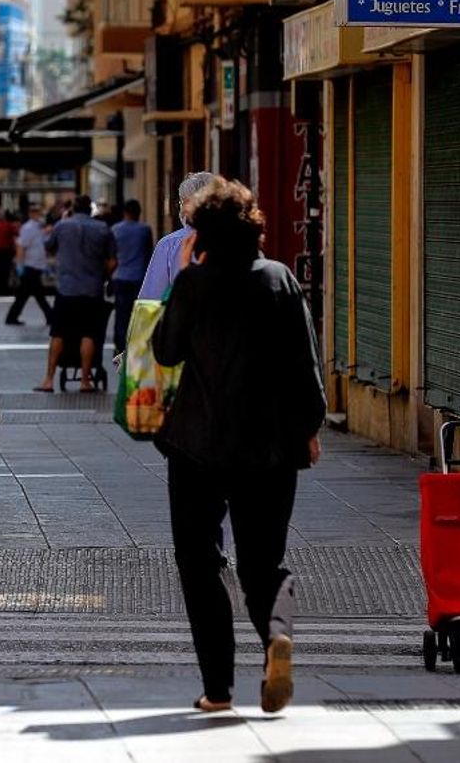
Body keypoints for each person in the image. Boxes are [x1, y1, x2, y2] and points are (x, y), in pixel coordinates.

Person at [151, 177, 325, 715]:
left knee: (199, 563)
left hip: (198, 444)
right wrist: (309, 428)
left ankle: (218, 690)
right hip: (270, 447)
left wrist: (184, 271)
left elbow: (165, 349)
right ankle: (276, 638)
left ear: (199, 231)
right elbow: (306, 365)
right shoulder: (279, 279)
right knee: (262, 562)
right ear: (254, 228)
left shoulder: (193, 283)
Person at [35, 195, 116, 393]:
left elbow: (47, 246)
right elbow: (113, 261)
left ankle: (48, 380)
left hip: (67, 289)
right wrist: (101, 275)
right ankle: (85, 381)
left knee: (58, 333)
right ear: (90, 209)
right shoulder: (103, 229)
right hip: (92, 289)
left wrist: (62, 220)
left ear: (73, 208)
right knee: (89, 334)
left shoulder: (63, 226)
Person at [141, 172, 219, 302]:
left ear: (189, 203)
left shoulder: (170, 244)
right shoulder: (237, 240)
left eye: (182, 202)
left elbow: (151, 300)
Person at [110, 199, 155, 351]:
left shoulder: (115, 229)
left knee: (121, 314)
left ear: (125, 212)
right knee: (138, 314)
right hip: (139, 277)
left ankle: (120, 347)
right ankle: (137, 346)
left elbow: (112, 254)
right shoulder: (144, 230)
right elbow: (149, 253)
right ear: (138, 213)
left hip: (120, 276)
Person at [5, 204, 55, 326]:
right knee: (38, 294)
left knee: (26, 294)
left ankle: (12, 317)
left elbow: (40, 239)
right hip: (30, 266)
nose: (38, 214)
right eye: (35, 211)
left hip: (35, 266)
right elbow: (21, 247)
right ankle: (51, 317)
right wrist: (20, 265)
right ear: (30, 213)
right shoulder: (28, 228)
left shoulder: (37, 227)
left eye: (38, 211)